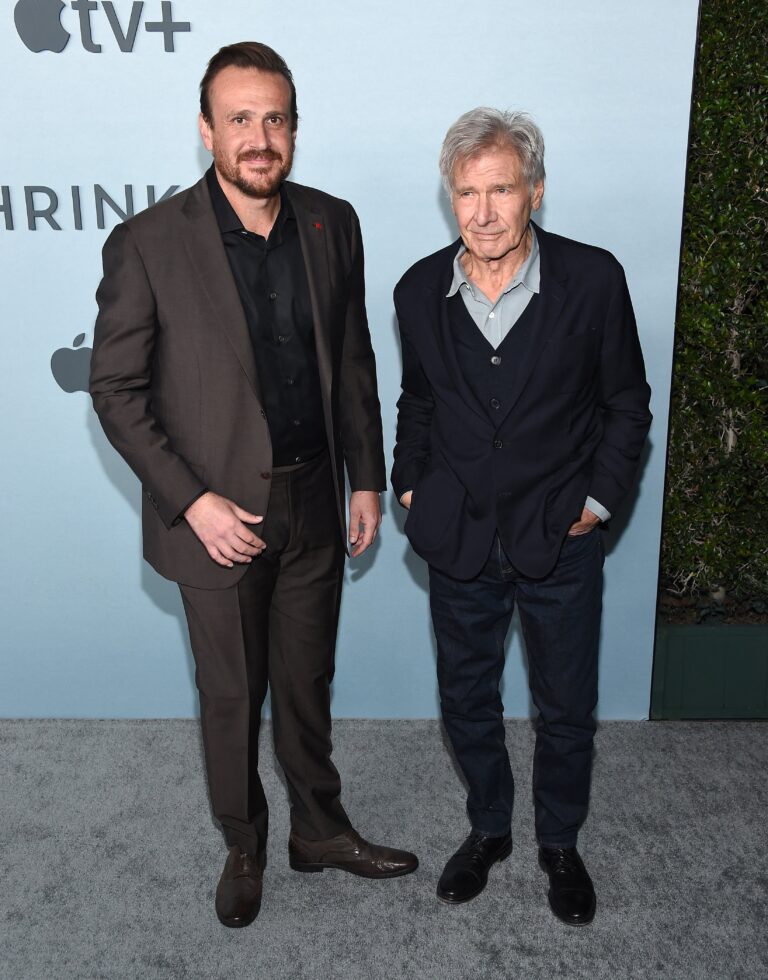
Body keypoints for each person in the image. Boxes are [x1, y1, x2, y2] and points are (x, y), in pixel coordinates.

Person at [90, 41, 417, 929]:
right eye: (239, 119)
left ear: (295, 129)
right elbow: (114, 389)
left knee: (308, 680)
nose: (258, 137)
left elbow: (353, 357)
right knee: (234, 696)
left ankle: (320, 830)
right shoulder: (149, 243)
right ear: (207, 132)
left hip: (318, 498)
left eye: (274, 118)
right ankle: (244, 843)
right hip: (216, 518)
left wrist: (367, 479)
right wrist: (191, 502)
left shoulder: (331, 222)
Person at [391, 108, 651, 925]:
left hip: (560, 540)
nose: (484, 211)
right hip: (456, 537)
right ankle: (490, 828)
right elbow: (418, 402)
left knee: (565, 708)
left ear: (534, 191)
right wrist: (407, 484)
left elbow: (626, 406)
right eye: (467, 192)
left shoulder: (594, 280)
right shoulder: (417, 289)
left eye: (501, 189)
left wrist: (597, 502)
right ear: (450, 197)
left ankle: (559, 844)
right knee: (466, 701)